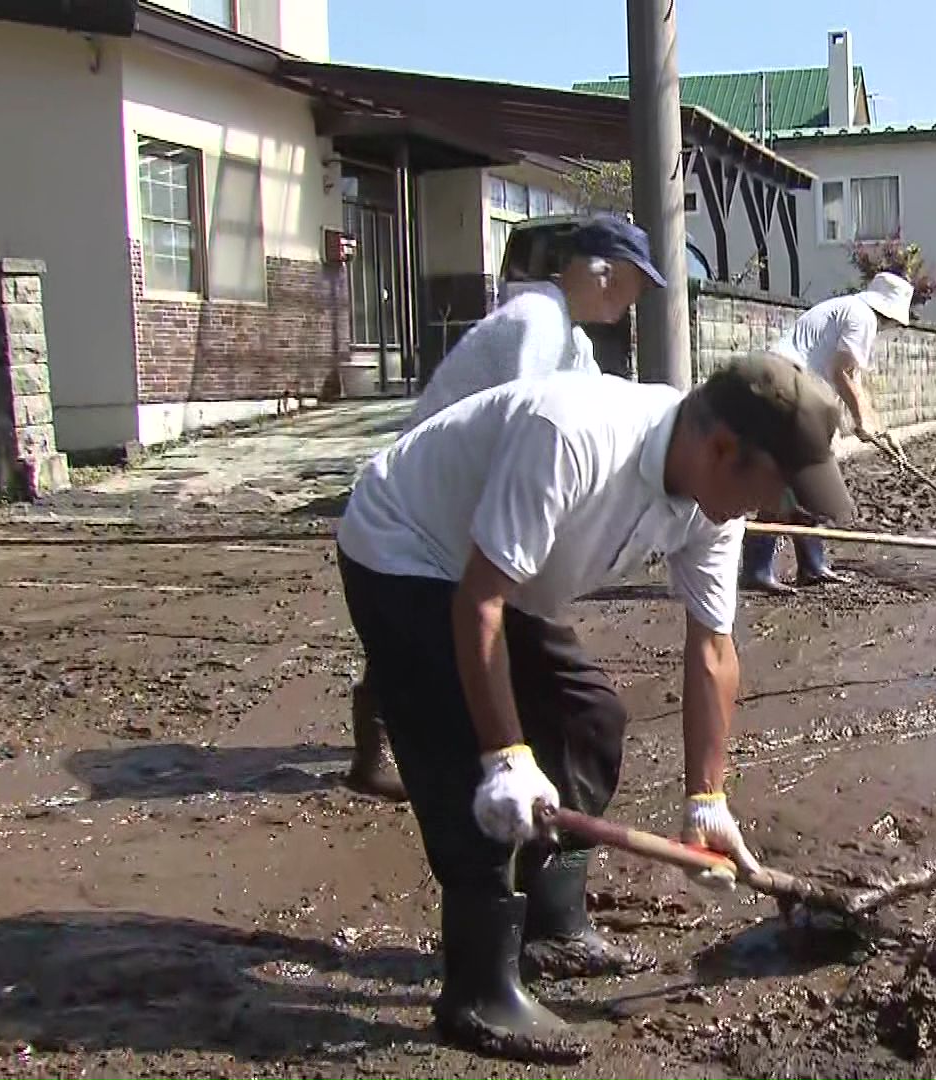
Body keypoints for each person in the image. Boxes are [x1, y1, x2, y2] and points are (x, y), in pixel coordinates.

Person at [335, 356, 854, 1063]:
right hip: (408, 548)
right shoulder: (573, 436)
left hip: (498, 573)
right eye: (775, 489)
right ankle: (479, 992)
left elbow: (712, 648)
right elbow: (477, 603)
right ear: (723, 449)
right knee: (467, 767)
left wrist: (707, 800)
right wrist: (506, 759)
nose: (775, 512)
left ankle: (550, 922)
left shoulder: (713, 501)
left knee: (589, 721)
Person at [345, 215, 662, 803]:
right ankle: (409, 748)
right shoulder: (535, 321)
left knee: (436, 624)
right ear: (599, 273)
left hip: (466, 488)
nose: (636, 296)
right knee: (435, 624)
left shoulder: (573, 339)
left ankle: (393, 740)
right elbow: (531, 435)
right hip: (433, 492)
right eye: (632, 282)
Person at [740, 270, 914, 594]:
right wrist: (862, 423)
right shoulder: (863, 317)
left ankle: (809, 564)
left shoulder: (850, 312)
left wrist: (883, 433)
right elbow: (841, 375)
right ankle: (759, 567)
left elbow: (855, 385)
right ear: (888, 313)